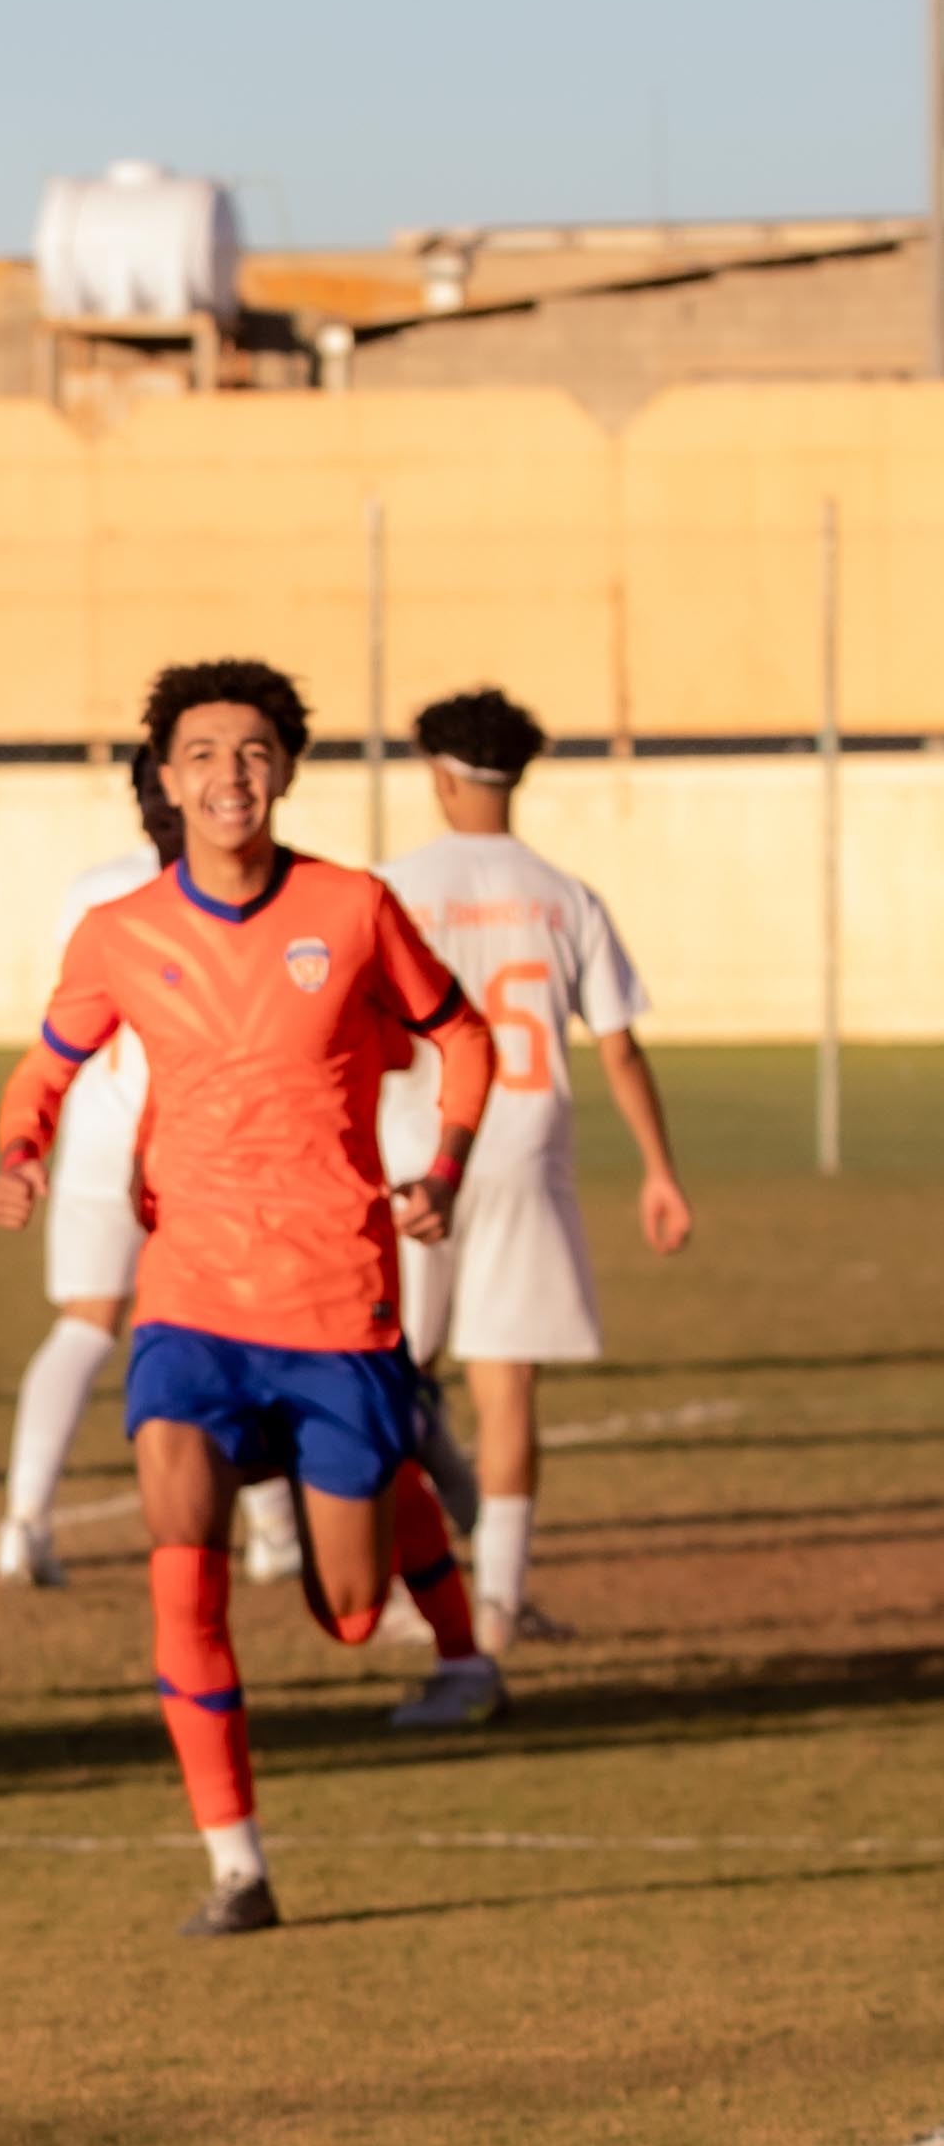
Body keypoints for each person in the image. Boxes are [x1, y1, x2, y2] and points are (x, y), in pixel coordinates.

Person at [0, 658, 501, 1940]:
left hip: (335, 1299)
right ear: (166, 780)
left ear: (284, 772)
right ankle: (236, 1866)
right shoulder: (118, 932)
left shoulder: (353, 904)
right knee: (185, 1577)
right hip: (190, 1303)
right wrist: (18, 1152)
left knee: (348, 1616)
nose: (231, 775)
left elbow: (464, 1035)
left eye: (255, 752)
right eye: (204, 754)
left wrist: (444, 1169)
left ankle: (389, 1474)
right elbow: (42, 1070)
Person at [377, 687, 693, 1650]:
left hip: (413, 1155)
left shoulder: (389, 889)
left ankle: (407, 1594)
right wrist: (659, 1171)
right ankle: (502, 1603)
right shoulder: (566, 896)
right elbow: (620, 1046)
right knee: (505, 1385)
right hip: (522, 1148)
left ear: (440, 776)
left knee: (393, 1377)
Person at [0, 748, 178, 1588]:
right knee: (234, 1328)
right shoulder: (245, 890)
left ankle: (23, 1521)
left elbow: (64, 1024)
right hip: (201, 1144)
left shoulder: (96, 891)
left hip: (99, 1134)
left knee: (85, 1324)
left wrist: (28, 1144)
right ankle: (274, 1531)